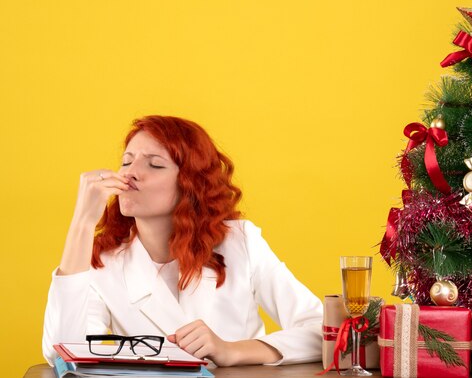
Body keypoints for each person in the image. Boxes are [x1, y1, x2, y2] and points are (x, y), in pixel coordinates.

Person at [42, 115, 323, 366]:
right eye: (126, 161)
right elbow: (61, 352)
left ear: (190, 184)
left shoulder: (240, 242)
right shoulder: (104, 263)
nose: (130, 173)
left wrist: (232, 351)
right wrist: (82, 224)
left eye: (154, 164)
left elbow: (322, 330)